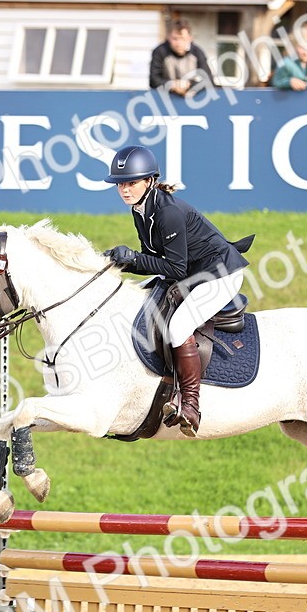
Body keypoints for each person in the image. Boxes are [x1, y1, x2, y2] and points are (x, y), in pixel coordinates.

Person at [101, 146, 249, 438]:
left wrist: (132, 258)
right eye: (120, 184)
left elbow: (174, 268)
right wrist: (123, 263)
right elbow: (153, 260)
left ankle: (190, 406)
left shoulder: (167, 212)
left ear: (150, 181)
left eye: (131, 183)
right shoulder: (141, 209)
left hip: (219, 274)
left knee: (179, 327)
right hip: (194, 272)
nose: (124, 190)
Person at [149, 19, 214, 97]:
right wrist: (172, 85)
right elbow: (153, 80)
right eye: (175, 39)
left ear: (190, 38)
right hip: (166, 99)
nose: (179, 43)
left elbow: (208, 80)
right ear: (169, 37)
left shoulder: (197, 52)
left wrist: (189, 86)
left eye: (183, 39)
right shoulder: (160, 51)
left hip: (192, 98)